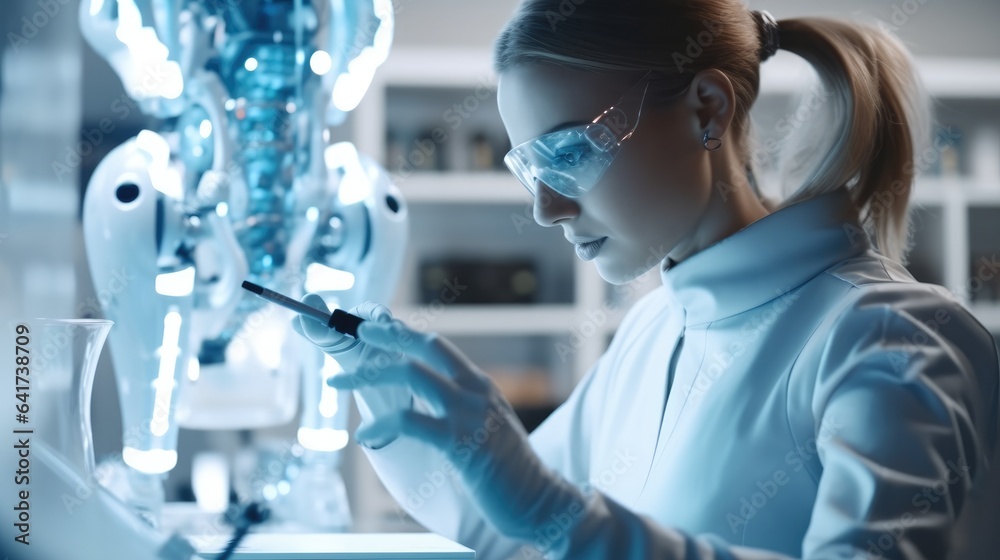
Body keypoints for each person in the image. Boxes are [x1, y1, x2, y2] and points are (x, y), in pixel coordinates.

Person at [293, 2, 1000, 558]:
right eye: (532, 168)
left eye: (570, 150)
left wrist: (553, 515)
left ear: (707, 109)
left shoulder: (892, 338)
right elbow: (501, 523)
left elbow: (549, 520)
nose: (547, 208)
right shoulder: (653, 330)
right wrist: (388, 397)